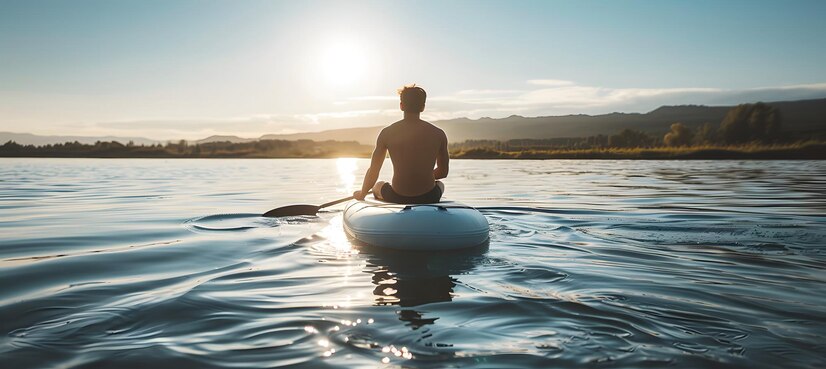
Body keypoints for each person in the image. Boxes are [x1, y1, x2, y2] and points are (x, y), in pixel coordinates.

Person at [353, 84, 448, 204]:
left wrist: (362, 194)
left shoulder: (387, 133)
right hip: (429, 196)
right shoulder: (438, 134)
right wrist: (422, 176)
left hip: (397, 196)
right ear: (423, 107)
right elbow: (443, 172)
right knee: (440, 184)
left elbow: (374, 171)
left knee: (378, 185)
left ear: (401, 106)